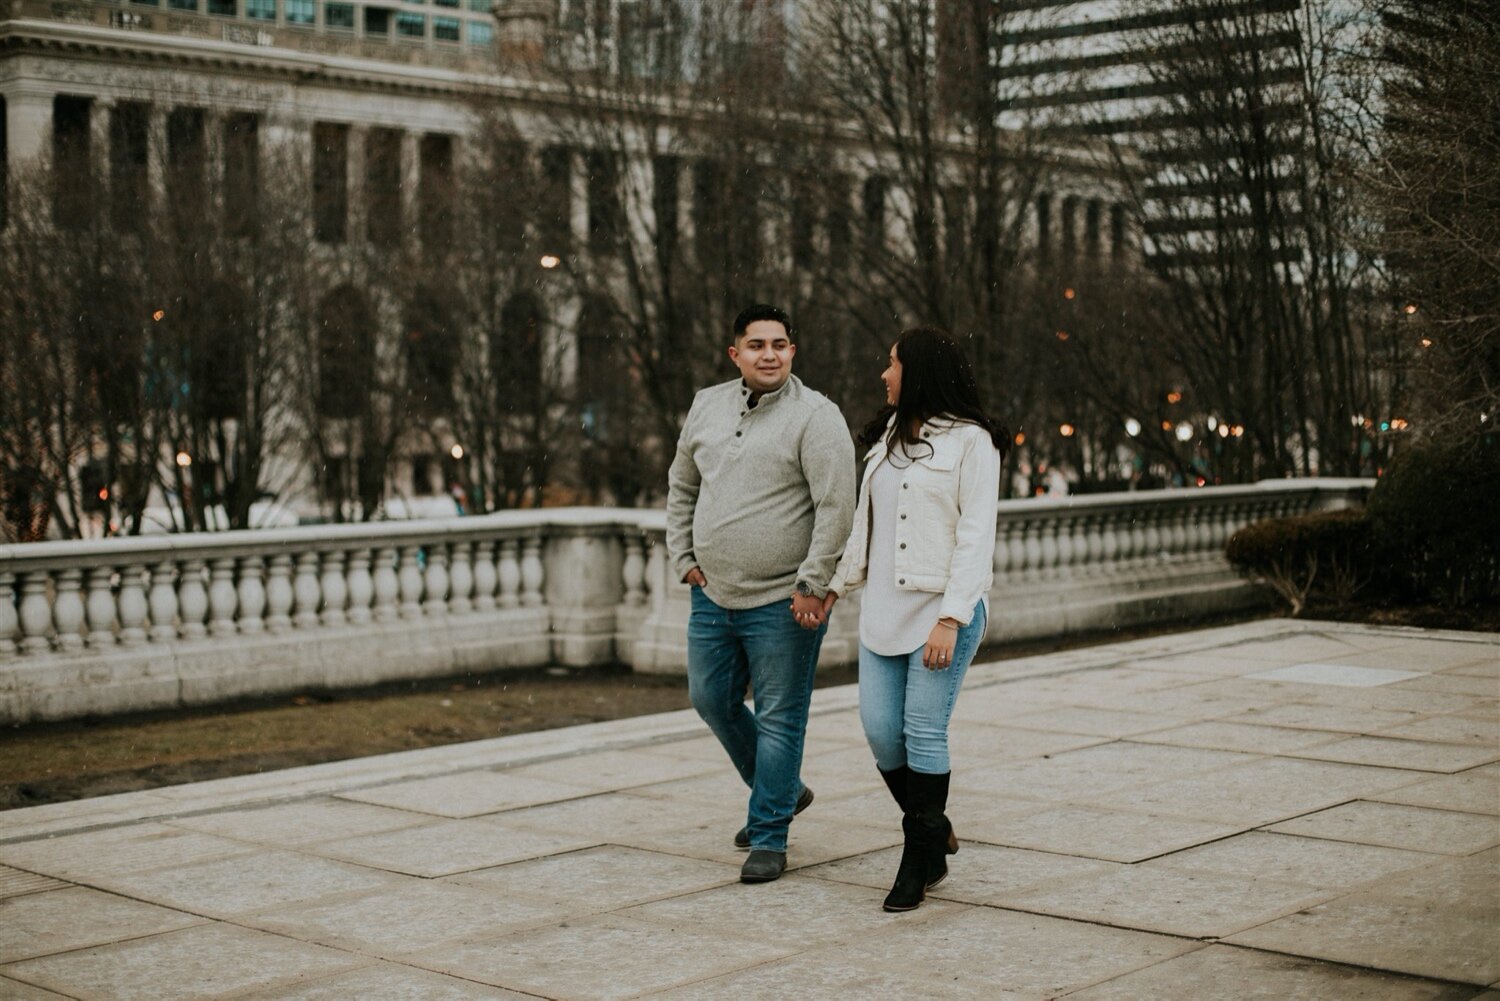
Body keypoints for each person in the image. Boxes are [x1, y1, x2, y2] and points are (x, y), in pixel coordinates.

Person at [667, 303, 856, 883]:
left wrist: (813, 583)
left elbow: (835, 508)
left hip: (784, 601)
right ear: (736, 353)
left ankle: (769, 835)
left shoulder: (817, 417)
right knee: (710, 699)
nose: (768, 354)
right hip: (712, 594)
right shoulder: (707, 404)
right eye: (756, 345)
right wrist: (684, 557)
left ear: (792, 351)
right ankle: (783, 791)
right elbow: (681, 485)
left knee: (779, 718)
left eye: (779, 344)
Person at [823, 326, 1007, 911]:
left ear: (920, 371)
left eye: (893, 363)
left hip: (941, 611)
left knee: (924, 730)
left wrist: (951, 619)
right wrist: (831, 588)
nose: (884, 374)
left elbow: (976, 539)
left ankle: (918, 858)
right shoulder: (887, 438)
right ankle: (933, 827)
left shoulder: (973, 444)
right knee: (882, 732)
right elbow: (865, 527)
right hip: (883, 611)